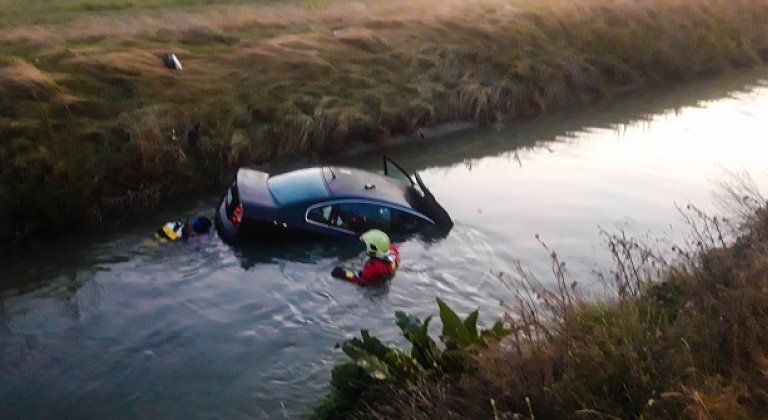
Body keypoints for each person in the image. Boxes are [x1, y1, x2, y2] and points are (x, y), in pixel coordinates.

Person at [332, 229, 400, 286]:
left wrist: (344, 274)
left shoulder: (372, 268)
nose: (365, 247)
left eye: (366, 245)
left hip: (375, 285)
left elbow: (361, 281)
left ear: (373, 248)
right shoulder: (393, 251)